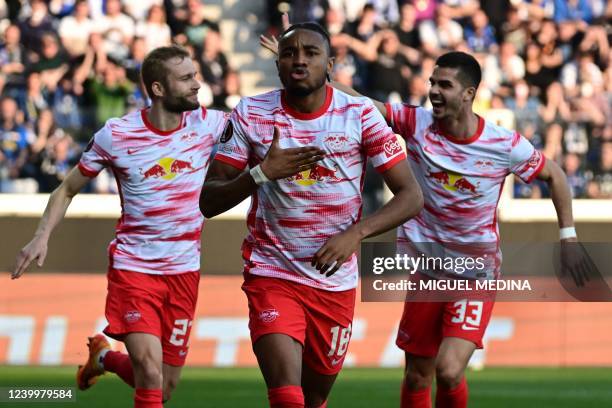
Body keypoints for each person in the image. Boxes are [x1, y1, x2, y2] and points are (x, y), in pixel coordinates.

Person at [201, 22, 423, 408]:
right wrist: (260, 173)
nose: (298, 59)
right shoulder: (252, 113)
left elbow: (411, 195)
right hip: (272, 272)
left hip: (333, 282)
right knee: (287, 396)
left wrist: (355, 234)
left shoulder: (360, 115)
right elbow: (208, 200)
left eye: (310, 52)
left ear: (330, 64)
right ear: (278, 65)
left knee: (314, 398)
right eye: (289, 53)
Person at [350, 51, 578, 408]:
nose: (434, 92)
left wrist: (568, 237)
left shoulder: (504, 144)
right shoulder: (416, 122)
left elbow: (556, 175)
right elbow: (365, 104)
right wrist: (319, 78)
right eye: (432, 84)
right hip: (428, 272)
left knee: (450, 370)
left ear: (469, 93)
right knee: (416, 376)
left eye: (445, 85)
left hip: (475, 272)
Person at [12, 45, 232, 408]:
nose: (197, 84)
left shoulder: (210, 124)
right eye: (187, 78)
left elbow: (265, 117)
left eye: (195, 75)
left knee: (164, 386)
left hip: (184, 270)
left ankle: (104, 359)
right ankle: (111, 358)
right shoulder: (116, 134)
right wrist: (41, 235)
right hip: (135, 269)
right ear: (158, 89)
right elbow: (67, 188)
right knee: (149, 371)